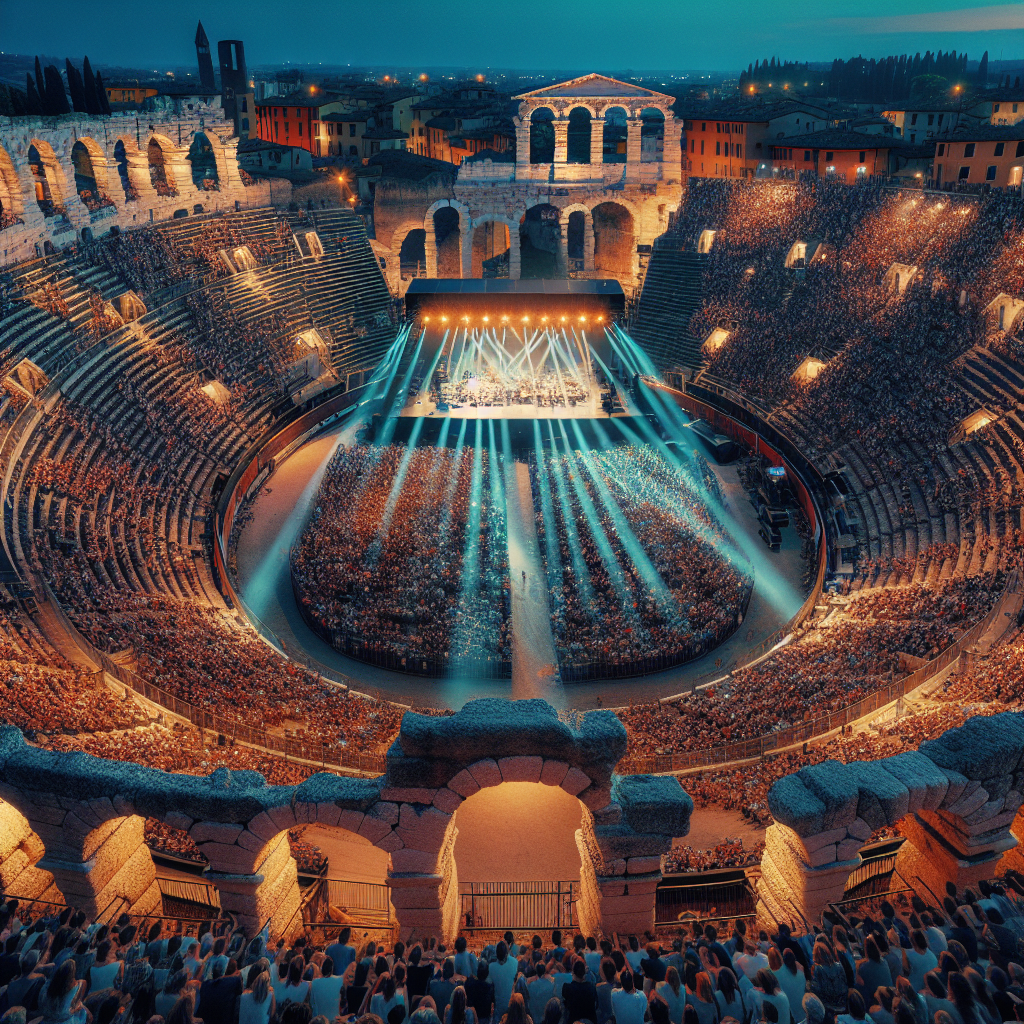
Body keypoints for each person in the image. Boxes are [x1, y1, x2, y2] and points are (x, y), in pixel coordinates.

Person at [562, 959, 597, 1024]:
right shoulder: (591, 987)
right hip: (590, 1020)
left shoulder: (567, 988)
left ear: (573, 973)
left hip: (573, 1020)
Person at [489, 942, 518, 1017]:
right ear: (506, 953)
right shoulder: (514, 962)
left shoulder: (491, 967)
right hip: (511, 1007)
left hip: (497, 1007)